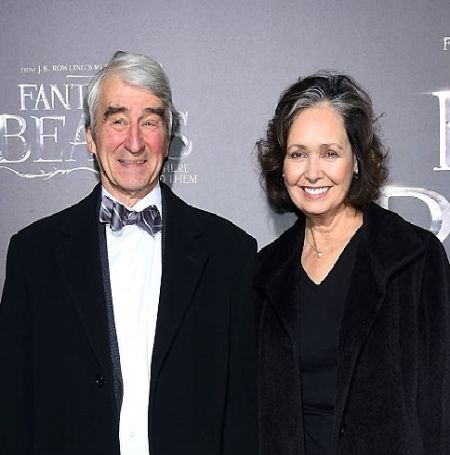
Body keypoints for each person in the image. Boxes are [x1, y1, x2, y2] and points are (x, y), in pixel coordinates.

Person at [0, 51, 257, 455]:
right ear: (90, 136)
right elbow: (12, 412)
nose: (134, 141)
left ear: (168, 137)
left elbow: (244, 415)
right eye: (117, 120)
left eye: (149, 122)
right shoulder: (33, 256)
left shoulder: (231, 254)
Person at [255, 71, 450, 455]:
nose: (312, 172)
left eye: (330, 153)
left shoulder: (414, 259)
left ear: (357, 161)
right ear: (282, 165)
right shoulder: (265, 272)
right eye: (298, 154)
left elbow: (440, 405)